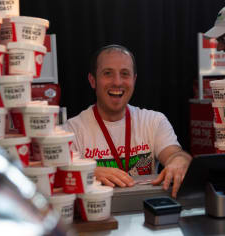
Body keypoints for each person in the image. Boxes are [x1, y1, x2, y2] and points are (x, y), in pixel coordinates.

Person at [62, 44, 192, 198]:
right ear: (92, 80)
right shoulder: (72, 129)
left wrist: (179, 162)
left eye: (125, 74)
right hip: (99, 215)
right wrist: (89, 173)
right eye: (107, 73)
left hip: (145, 212)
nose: (117, 82)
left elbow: (176, 154)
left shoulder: (154, 121)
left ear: (134, 80)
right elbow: (62, 174)